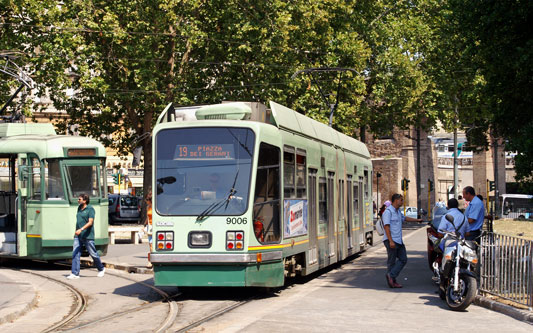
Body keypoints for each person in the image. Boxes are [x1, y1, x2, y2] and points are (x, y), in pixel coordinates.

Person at [383, 194, 422, 288]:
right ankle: (392, 280)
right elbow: (386, 227)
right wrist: (390, 241)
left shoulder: (397, 211)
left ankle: (391, 276)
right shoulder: (388, 212)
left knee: (403, 259)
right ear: (396, 200)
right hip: (391, 240)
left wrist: (417, 220)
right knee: (391, 262)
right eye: (401, 200)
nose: (402, 202)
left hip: (399, 240)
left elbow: (404, 218)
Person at [67, 194, 105, 279]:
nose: (78, 200)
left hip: (87, 235)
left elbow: (90, 222)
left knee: (93, 253)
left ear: (84, 200)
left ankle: (101, 269)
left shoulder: (90, 209)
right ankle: (75, 273)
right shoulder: (79, 208)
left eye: (79, 199)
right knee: (75, 253)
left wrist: (81, 229)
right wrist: (77, 231)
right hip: (78, 235)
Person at [142, 188, 153, 268]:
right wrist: (144, 225)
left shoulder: (156, 207)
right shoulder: (148, 207)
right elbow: (147, 217)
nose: (146, 201)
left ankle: (152, 261)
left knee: (154, 244)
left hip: (155, 226)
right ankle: (150, 262)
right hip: (150, 227)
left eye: (147, 199)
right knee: (150, 244)